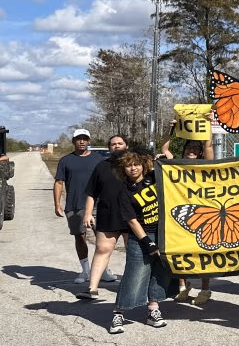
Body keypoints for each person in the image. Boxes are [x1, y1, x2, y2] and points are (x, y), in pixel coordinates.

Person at [108, 152, 172, 334]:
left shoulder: (154, 178)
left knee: (160, 273)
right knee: (134, 274)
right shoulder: (124, 190)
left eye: (136, 164)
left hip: (164, 233)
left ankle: (153, 310)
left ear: (143, 165)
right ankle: (118, 312)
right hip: (141, 236)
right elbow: (131, 220)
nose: (133, 168)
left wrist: (170, 131)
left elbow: (168, 158)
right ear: (123, 169)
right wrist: (147, 242)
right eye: (128, 166)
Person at [53, 129, 114, 284]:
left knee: (103, 239)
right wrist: (57, 204)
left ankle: (104, 270)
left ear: (88, 141)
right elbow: (59, 183)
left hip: (98, 205)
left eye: (84, 139)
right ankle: (85, 270)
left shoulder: (99, 159)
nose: (82, 141)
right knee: (80, 237)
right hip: (74, 205)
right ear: (73, 141)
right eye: (78, 139)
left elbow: (108, 180)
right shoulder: (66, 160)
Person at [76, 135, 130, 299]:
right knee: (102, 250)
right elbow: (91, 193)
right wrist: (87, 213)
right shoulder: (102, 166)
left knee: (133, 252)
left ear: (126, 146)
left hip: (133, 216)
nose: (116, 146)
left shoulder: (136, 164)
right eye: (113, 144)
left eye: (120, 143)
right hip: (107, 214)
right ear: (109, 148)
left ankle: (131, 288)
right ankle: (92, 289)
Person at [166, 139, 215, 305]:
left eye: (195, 148)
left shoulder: (205, 166)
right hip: (182, 215)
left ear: (200, 152)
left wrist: (208, 124)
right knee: (180, 250)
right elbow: (165, 149)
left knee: (204, 252)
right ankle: (182, 286)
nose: (191, 150)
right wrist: (170, 132)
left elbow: (209, 147)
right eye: (189, 147)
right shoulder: (175, 165)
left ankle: (205, 289)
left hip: (204, 215)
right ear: (184, 149)